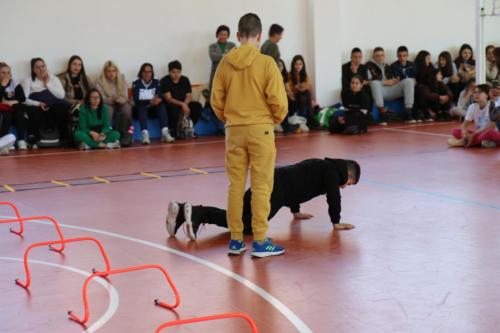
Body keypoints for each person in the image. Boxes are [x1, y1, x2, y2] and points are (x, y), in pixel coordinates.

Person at [211, 13, 288, 257]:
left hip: (233, 130)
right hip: (261, 129)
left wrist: (230, 119)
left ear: (237, 36)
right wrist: (273, 120)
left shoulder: (225, 62)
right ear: (260, 35)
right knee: (261, 186)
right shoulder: (266, 63)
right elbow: (279, 102)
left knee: (235, 185)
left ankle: (236, 240)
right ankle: (260, 240)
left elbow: (216, 99)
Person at [165, 158, 361, 241]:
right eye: (349, 183)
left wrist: (295, 211)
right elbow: (334, 197)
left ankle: (184, 211)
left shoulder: (323, 165)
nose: (345, 186)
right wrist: (336, 222)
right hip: (277, 189)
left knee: (239, 217)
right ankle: (198, 213)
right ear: (348, 174)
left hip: (271, 178)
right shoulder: (332, 173)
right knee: (249, 226)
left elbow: (300, 179)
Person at [22, 57, 71, 147]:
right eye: (37, 67)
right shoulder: (28, 80)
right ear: (33, 69)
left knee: (62, 107)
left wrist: (47, 84)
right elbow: (24, 99)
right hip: (38, 104)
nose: (41, 69)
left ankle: (64, 137)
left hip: (52, 104)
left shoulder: (54, 79)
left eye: (43, 66)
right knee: (33, 110)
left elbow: (61, 95)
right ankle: (35, 139)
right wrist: (38, 103)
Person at [367, 47, 415, 125]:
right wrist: (384, 82)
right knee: (374, 83)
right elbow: (367, 82)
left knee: (409, 81)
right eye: (377, 56)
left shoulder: (387, 66)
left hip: (390, 90)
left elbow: (392, 80)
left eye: (382, 55)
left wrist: (395, 81)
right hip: (379, 91)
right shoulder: (368, 66)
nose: (380, 57)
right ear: (374, 57)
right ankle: (382, 115)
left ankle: (408, 113)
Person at [132, 63, 174, 144]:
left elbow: (160, 95)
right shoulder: (136, 83)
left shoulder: (156, 82)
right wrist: (149, 101)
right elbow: (136, 99)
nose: (147, 74)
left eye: (149, 72)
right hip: (140, 109)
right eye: (145, 72)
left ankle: (165, 132)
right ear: (141, 73)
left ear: (152, 73)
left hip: (153, 109)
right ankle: (145, 134)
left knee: (161, 105)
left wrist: (157, 99)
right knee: (141, 106)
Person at [448, 84, 500, 148]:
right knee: (455, 131)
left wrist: (473, 135)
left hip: (494, 133)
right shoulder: (472, 107)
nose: (476, 94)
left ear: (487, 95)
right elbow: (465, 124)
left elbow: (491, 127)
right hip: (480, 134)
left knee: (490, 133)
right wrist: (464, 132)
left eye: (480, 92)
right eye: (475, 92)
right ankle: (485, 142)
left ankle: (462, 142)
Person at [160, 60, 202, 138]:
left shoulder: (185, 80)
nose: (176, 74)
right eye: (174, 72)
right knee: (173, 108)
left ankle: (189, 128)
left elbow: (189, 95)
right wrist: (182, 104)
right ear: (169, 72)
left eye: (178, 72)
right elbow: (168, 98)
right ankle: (174, 130)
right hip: (172, 104)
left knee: (197, 106)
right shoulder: (164, 81)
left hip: (184, 103)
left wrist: (185, 105)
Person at [0, 62, 27, 148]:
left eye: (8, 72)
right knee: (6, 115)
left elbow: (22, 98)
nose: (6, 75)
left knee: (20, 109)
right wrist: (2, 86)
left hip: (14, 107)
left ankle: (21, 140)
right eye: (3, 73)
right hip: (3, 108)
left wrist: (13, 102)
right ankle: (4, 141)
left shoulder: (15, 83)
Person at [288, 55, 316, 130]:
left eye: (300, 64)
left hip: (302, 97)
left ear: (303, 65)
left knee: (305, 94)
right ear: (293, 65)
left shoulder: (304, 75)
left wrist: (301, 87)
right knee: (305, 94)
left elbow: (307, 86)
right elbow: (289, 90)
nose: (298, 66)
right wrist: (297, 87)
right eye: (296, 64)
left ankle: (307, 119)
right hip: (293, 97)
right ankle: (310, 119)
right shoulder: (289, 75)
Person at [208, 25, 236, 96]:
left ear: (228, 36)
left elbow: (235, 57)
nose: (223, 36)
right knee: (216, 95)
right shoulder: (212, 46)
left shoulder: (232, 45)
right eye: (221, 34)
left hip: (229, 75)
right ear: (217, 35)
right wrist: (226, 55)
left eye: (225, 34)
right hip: (216, 74)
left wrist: (222, 55)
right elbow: (213, 57)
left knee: (229, 95)